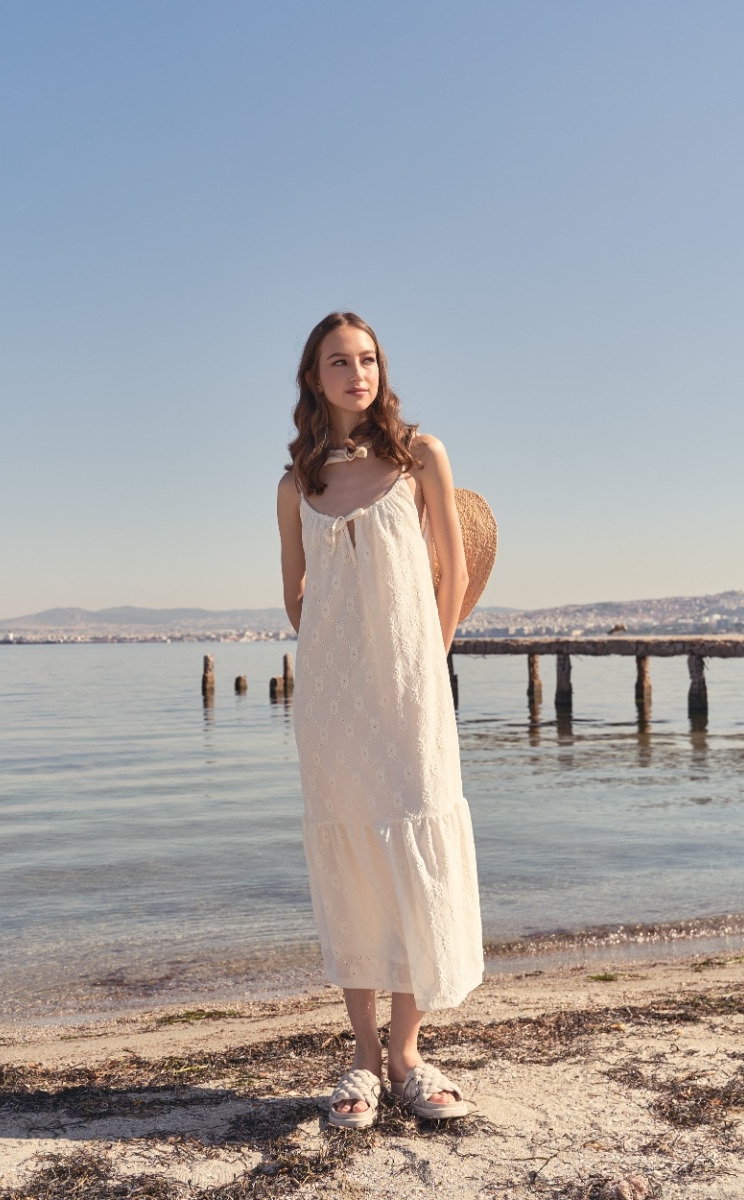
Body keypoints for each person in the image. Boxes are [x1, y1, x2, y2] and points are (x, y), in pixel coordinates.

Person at [277, 311, 483, 1128]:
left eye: (367, 359)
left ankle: (407, 1053)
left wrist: (423, 663)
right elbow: (294, 595)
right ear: (313, 378)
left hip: (411, 693)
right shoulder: (296, 486)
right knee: (352, 855)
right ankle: (362, 1056)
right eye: (339, 360)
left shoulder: (420, 458)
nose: (356, 372)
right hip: (333, 703)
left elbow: (455, 571)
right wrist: (338, 659)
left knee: (413, 845)